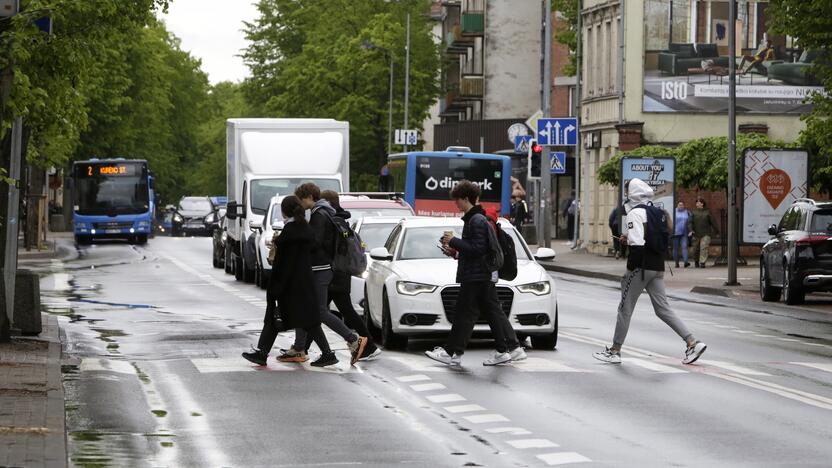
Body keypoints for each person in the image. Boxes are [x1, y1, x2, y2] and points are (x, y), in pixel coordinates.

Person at [593, 178, 707, 365]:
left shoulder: (635, 213)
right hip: (658, 266)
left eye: (627, 190)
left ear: (632, 194)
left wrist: (630, 269)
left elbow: (638, 244)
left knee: (624, 308)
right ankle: (693, 342)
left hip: (641, 267)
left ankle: (614, 350)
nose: (625, 194)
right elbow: (654, 236)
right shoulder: (658, 211)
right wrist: (628, 238)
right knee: (663, 309)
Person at [425, 181, 527, 367]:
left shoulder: (476, 220)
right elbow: (475, 249)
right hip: (479, 274)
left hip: (477, 275)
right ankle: (502, 350)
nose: (456, 204)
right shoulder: (475, 219)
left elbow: (478, 249)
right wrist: (454, 251)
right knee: (489, 312)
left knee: (466, 313)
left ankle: (452, 352)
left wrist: (453, 241)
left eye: (457, 200)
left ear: (465, 198)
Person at [278, 183, 368, 366]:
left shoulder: (319, 214)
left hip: (320, 269)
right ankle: (299, 348)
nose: (300, 204)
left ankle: (353, 339)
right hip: (323, 268)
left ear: (309, 197)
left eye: (301, 199)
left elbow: (314, 243)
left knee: (319, 311)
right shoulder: (325, 211)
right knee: (306, 308)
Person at [242, 196, 336, 367]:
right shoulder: (305, 229)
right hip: (303, 282)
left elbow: (284, 264)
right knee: (309, 321)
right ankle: (327, 353)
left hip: (288, 285)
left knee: (274, 318)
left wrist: (276, 286)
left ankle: (262, 353)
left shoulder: (289, 232)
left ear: (284, 211)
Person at [320, 190, 381, 361]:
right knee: (334, 311)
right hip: (340, 273)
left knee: (320, 312)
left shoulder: (332, 221)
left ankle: (367, 346)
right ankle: (368, 346)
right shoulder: (341, 220)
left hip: (334, 273)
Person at [688, 197, 718, 268]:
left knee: (704, 248)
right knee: (695, 249)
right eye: (696, 202)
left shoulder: (707, 212)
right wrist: (691, 230)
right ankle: (696, 261)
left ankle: (702, 262)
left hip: (706, 234)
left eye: (698, 202)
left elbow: (713, 222)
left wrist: (716, 231)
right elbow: (690, 222)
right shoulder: (693, 212)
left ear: (702, 204)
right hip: (696, 234)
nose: (697, 203)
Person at [672, 201, 691, 268]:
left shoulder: (687, 212)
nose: (681, 206)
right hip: (675, 233)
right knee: (675, 248)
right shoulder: (673, 212)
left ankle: (686, 262)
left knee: (684, 247)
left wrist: (690, 230)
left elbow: (690, 222)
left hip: (684, 233)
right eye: (679, 205)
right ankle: (676, 263)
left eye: (682, 205)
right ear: (677, 205)